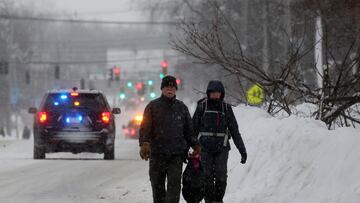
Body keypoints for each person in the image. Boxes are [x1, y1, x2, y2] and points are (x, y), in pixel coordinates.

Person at [139, 75, 201, 203]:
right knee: (157, 187)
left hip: (176, 155)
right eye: (167, 87)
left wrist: (196, 145)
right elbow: (145, 128)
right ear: (162, 89)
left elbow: (189, 131)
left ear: (176, 90)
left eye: (172, 87)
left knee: (174, 186)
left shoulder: (181, 108)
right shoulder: (152, 106)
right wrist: (145, 143)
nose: (169, 89)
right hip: (157, 154)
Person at [192, 80, 247, 203]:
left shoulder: (226, 108)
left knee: (221, 176)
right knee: (207, 177)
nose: (215, 95)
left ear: (221, 94)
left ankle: (218, 199)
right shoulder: (202, 106)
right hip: (204, 148)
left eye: (218, 92)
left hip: (221, 148)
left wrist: (242, 150)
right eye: (213, 92)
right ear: (209, 93)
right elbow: (193, 129)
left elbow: (234, 131)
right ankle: (210, 200)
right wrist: (189, 147)